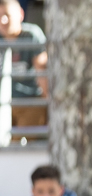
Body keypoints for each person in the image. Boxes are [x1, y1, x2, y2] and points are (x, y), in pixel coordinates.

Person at [2, 0, 47, 134]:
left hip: (30, 101)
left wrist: (50, 108)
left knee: (22, 139)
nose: (3, 20)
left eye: (7, 15)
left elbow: (43, 74)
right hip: (3, 103)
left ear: (20, 15)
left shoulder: (32, 35)